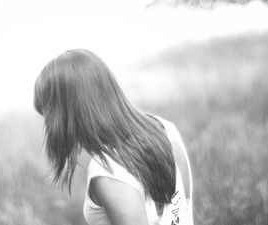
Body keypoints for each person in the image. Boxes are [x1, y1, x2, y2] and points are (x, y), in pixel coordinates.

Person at [34, 49, 194, 225]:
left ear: (66, 112)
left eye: (49, 114)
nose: (49, 125)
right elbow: (183, 205)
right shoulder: (164, 128)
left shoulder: (108, 171)